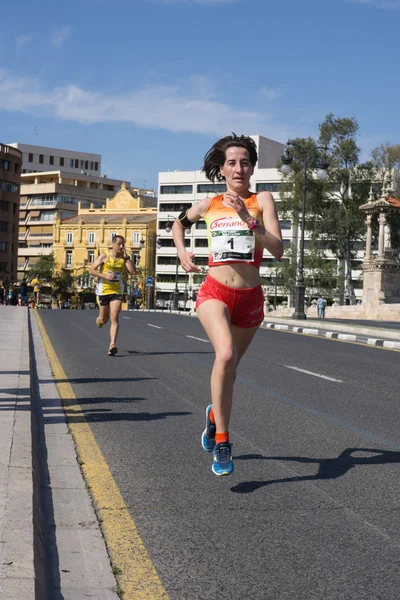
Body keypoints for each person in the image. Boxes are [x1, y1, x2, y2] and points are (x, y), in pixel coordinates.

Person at [172, 134, 283, 476]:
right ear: (222, 170)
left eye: (245, 162)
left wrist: (250, 220)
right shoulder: (208, 204)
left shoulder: (262, 199)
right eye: (232, 163)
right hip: (215, 292)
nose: (239, 168)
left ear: (252, 168)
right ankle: (223, 440)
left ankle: (212, 416)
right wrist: (181, 251)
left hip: (250, 299)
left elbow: (277, 249)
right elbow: (178, 222)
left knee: (230, 372)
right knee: (225, 356)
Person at [89, 235, 135, 356]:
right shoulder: (105, 256)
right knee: (104, 320)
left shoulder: (124, 258)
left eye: (123, 244)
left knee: (114, 316)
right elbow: (91, 270)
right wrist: (105, 276)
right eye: (119, 244)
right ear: (113, 244)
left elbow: (133, 271)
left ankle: (112, 344)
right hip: (103, 290)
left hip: (117, 291)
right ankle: (99, 319)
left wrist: (127, 258)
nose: (121, 246)